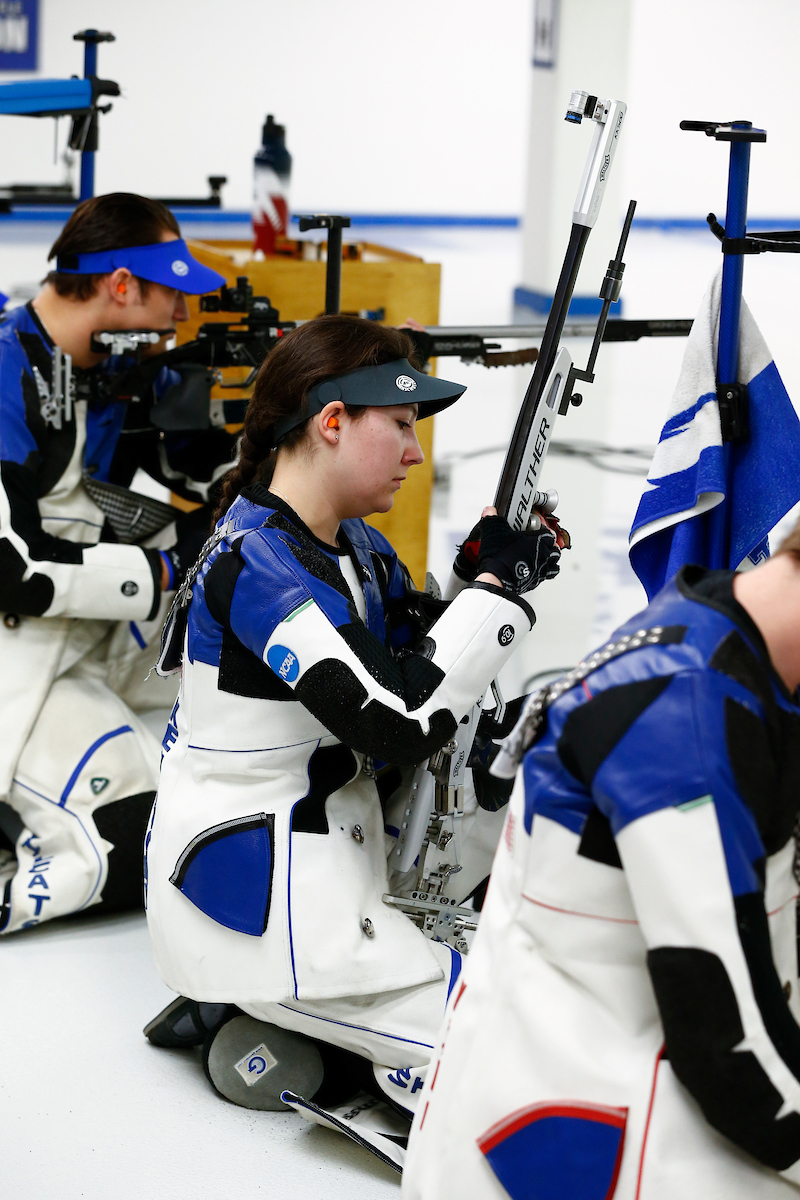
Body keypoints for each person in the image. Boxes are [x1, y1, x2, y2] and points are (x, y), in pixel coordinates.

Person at [143, 315, 563, 1159]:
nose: (416, 452)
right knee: (524, 1045)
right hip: (266, 906)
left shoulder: (354, 548)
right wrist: (494, 595)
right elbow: (396, 717)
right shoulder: (255, 562)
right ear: (331, 422)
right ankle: (309, 1035)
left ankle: (344, 1043)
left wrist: (478, 574)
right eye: (402, 426)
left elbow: (405, 653)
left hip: (336, 859)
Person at [403, 526, 800, 1198]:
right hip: (594, 1133)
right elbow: (724, 1042)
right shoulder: (680, 710)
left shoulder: (715, 633)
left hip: (611, 1086)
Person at [0, 192, 232, 933]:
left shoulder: (128, 369)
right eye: (171, 291)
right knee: (141, 832)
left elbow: (216, 485)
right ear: (121, 286)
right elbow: (12, 567)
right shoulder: (7, 372)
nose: (181, 313)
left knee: (231, 745)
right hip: (15, 639)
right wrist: (164, 573)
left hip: (90, 636)